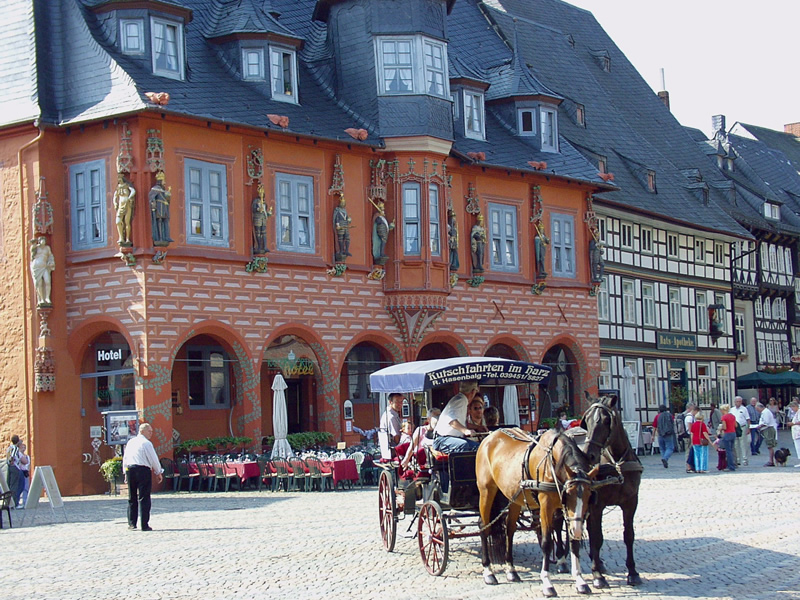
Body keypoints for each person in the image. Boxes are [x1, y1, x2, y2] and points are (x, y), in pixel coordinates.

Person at [122, 423, 164, 531]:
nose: (151, 433)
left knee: (132, 497)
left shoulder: (131, 442)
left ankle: (132, 523)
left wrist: (125, 473)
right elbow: (153, 459)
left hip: (131, 470)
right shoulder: (146, 443)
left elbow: (125, 458)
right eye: (149, 431)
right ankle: (144, 525)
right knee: (144, 497)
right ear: (142, 431)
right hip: (143, 470)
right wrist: (158, 472)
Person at [433, 380, 482, 453]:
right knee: (475, 447)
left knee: (475, 445)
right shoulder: (460, 400)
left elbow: (463, 424)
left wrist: (478, 427)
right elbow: (451, 421)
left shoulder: (460, 399)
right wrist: (466, 431)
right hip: (442, 440)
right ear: (472, 392)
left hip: (444, 439)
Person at [149, 171, 173, 246]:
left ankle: (166, 236)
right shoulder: (155, 189)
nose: (164, 183)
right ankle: (160, 238)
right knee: (159, 221)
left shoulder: (163, 190)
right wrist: (153, 204)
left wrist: (168, 195)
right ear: (160, 181)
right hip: (159, 207)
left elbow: (167, 200)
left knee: (165, 221)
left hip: (164, 208)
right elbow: (151, 197)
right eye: (163, 181)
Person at [30, 236, 55, 307]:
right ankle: (41, 299)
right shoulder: (36, 247)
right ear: (39, 241)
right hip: (36, 267)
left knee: (47, 281)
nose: (43, 241)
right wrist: (33, 245)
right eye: (41, 240)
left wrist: (51, 262)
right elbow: (32, 252)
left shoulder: (47, 248)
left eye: (44, 240)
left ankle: (47, 297)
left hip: (44, 267)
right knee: (39, 283)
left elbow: (50, 256)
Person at [113, 175, 135, 246]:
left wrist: (129, 197)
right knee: (118, 222)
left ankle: (127, 238)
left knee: (127, 222)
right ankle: (121, 238)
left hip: (127, 205)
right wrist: (115, 203)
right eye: (118, 178)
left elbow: (133, 191)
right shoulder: (118, 187)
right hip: (120, 206)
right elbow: (115, 196)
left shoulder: (127, 185)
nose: (119, 180)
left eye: (120, 178)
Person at [756, 402, 779, 467]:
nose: (758, 411)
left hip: (768, 429)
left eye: (758, 409)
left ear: (760, 408)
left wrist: (759, 426)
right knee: (769, 445)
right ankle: (771, 460)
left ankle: (771, 461)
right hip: (766, 429)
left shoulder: (765, 412)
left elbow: (766, 422)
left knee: (770, 445)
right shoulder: (764, 412)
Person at [371, 200, 394, 264]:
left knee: (383, 241)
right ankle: (380, 253)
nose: (383, 210)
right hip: (381, 232)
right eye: (382, 208)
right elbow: (380, 223)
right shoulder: (378, 217)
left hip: (383, 232)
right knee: (382, 240)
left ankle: (382, 253)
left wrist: (390, 227)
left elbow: (385, 226)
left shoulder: (382, 217)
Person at [730, 396, 750, 466]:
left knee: (743, 444)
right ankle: (737, 459)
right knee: (735, 444)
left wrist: (748, 428)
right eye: (737, 401)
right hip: (734, 428)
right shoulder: (732, 409)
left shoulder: (744, 409)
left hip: (742, 427)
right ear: (734, 402)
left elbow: (748, 419)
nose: (738, 403)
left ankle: (745, 459)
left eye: (739, 401)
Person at [252, 183, 271, 255]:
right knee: (258, 232)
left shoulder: (264, 203)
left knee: (264, 232)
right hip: (257, 218)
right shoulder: (256, 201)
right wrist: (257, 209)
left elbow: (265, 211)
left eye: (262, 193)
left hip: (263, 218)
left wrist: (269, 213)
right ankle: (259, 246)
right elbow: (253, 209)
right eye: (260, 193)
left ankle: (265, 246)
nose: (261, 195)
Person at [332, 195, 352, 262]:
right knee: (340, 238)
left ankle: (346, 250)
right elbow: (336, 218)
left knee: (347, 237)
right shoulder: (337, 210)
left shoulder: (345, 211)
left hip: (345, 225)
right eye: (342, 203)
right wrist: (337, 225)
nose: (343, 204)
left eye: (344, 203)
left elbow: (347, 219)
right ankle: (341, 250)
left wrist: (349, 220)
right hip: (340, 225)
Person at [718, 404, 737, 472]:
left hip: (727, 433)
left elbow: (725, 427)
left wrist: (720, 429)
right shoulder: (732, 416)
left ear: (723, 410)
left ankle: (730, 466)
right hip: (733, 433)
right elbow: (736, 425)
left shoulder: (724, 417)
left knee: (728, 451)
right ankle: (734, 464)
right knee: (732, 450)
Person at [5, 435, 22, 507]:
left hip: (9, 467)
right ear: (17, 441)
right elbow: (12, 455)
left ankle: (8, 502)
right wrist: (11, 461)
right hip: (14, 467)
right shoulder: (15, 448)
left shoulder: (9, 447)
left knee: (9, 484)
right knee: (14, 485)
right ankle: (14, 503)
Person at [15, 442, 30, 508]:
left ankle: (25, 502)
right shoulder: (19, 454)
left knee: (26, 487)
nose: (23, 449)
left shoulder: (27, 456)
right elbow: (24, 462)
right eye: (22, 447)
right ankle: (17, 501)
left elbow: (28, 464)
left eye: (25, 447)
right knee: (20, 487)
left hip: (26, 472)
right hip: (21, 472)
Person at [684, 404, 698, 473]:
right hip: (689, 436)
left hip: (691, 435)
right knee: (689, 451)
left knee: (691, 451)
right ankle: (688, 467)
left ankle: (691, 466)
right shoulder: (689, 417)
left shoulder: (692, 417)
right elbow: (690, 429)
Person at [788, 400, 800, 467]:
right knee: (798, 448)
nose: (792, 409)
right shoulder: (796, 413)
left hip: (798, 433)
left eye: (792, 407)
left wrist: (793, 423)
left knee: (799, 447)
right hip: (796, 433)